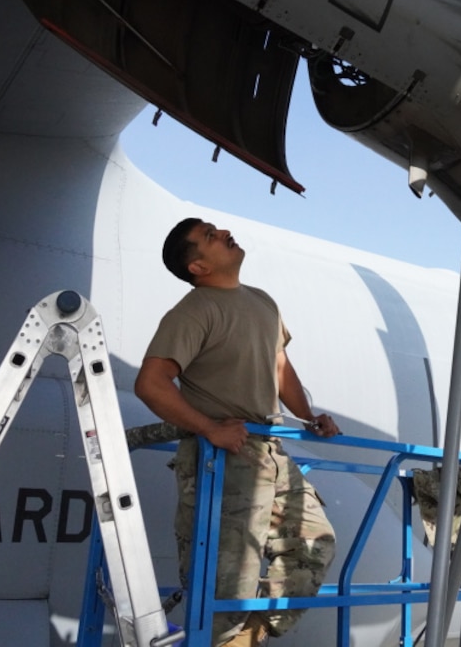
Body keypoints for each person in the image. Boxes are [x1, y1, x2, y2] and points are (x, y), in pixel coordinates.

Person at [134, 218, 339, 647]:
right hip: (223, 458)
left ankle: (248, 636)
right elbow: (151, 383)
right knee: (227, 583)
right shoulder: (194, 311)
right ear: (199, 268)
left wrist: (308, 416)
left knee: (314, 541)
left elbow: (279, 366)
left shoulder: (263, 302)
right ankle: (226, 638)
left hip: (270, 450)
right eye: (210, 236)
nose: (223, 233)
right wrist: (209, 428)